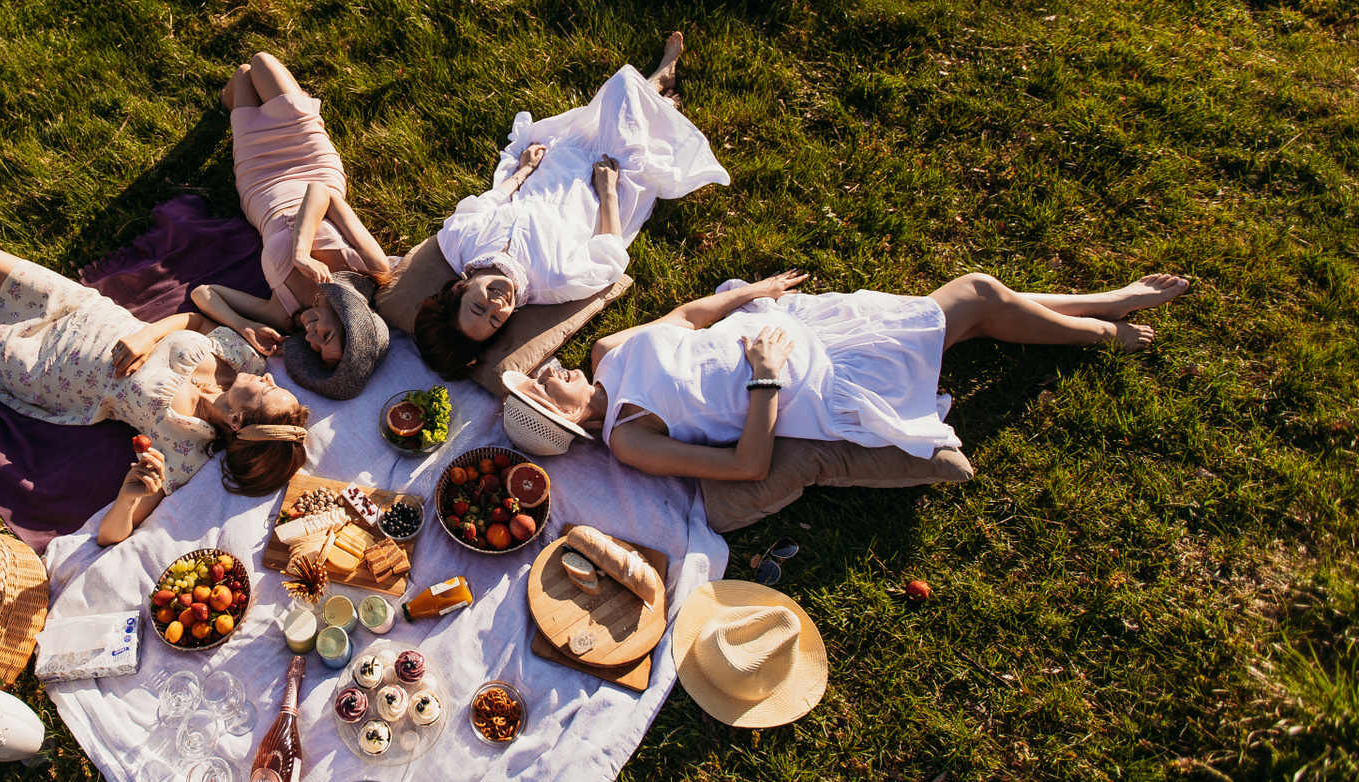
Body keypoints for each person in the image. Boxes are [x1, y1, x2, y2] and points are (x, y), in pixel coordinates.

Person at [503, 269, 1192, 482]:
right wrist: (765, 378)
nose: (549, 366)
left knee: (975, 310)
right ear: (565, 417)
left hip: (821, 329)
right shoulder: (630, 438)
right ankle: (1103, 324)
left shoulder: (608, 352)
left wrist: (754, 293)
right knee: (977, 296)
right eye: (542, 385)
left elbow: (686, 316)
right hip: (824, 381)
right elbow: (747, 466)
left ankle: (1104, 306)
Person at [0, 236, 310, 544]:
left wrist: (130, 494)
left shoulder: (185, 447)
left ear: (237, 420)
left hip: (47, 367)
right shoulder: (244, 361)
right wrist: (149, 334)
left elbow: (110, 535)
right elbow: (195, 318)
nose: (270, 377)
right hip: (85, 312)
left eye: (268, 391)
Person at [412, 32, 730, 380]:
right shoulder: (555, 281)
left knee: (618, 101)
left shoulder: (457, 243)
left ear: (460, 289)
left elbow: (489, 201)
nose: (497, 305)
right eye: (495, 320)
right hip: (598, 177)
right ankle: (657, 87)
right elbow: (610, 257)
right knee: (623, 86)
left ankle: (657, 103)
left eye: (478, 307)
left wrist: (522, 171)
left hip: (554, 165)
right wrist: (608, 191)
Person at [189, 51, 393, 399]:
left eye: (314, 348)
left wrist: (244, 325)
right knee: (260, 61)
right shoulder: (370, 268)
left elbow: (203, 293)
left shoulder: (285, 314)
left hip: (258, 182)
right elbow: (321, 193)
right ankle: (251, 103)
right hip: (310, 162)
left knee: (243, 75)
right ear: (349, 318)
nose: (311, 337)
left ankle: (235, 101)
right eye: (326, 336)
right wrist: (301, 253)